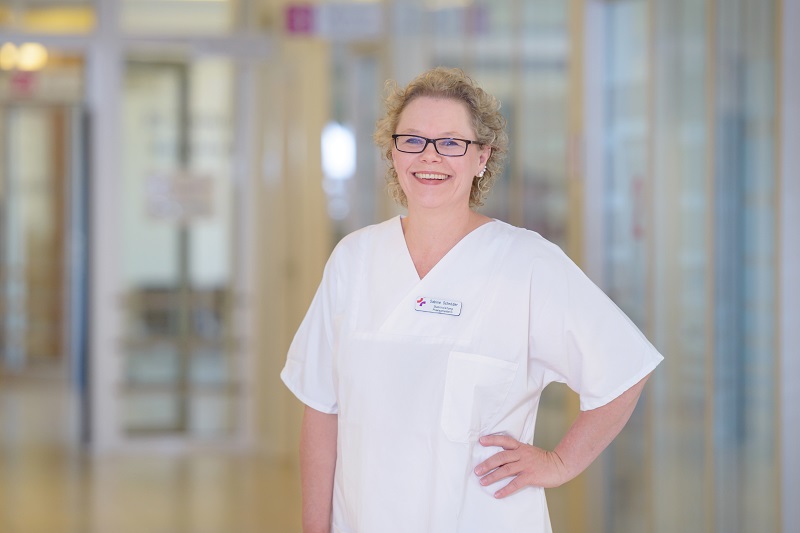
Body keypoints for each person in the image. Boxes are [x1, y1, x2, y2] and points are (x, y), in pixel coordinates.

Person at [281, 67, 663, 533]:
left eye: (451, 142)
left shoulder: (527, 263)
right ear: (393, 152)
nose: (430, 156)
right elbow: (322, 410)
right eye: (413, 140)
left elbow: (625, 367)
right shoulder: (354, 259)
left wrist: (560, 462)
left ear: (482, 157)